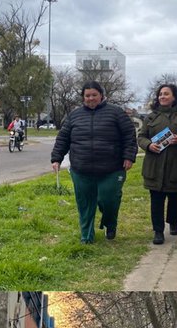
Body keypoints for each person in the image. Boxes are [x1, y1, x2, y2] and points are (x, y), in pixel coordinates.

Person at [50, 81, 138, 243]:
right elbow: (63, 138)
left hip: (111, 168)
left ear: (101, 96)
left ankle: (110, 224)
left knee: (108, 199)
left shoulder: (116, 113)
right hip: (81, 169)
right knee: (85, 203)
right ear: (83, 98)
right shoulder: (74, 116)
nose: (91, 98)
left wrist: (129, 156)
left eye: (94, 95)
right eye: (87, 96)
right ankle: (86, 236)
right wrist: (57, 158)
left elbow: (129, 135)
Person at [137, 83, 177, 244]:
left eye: (166, 94)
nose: (162, 96)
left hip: (176, 165)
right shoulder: (151, 117)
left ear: (174, 96)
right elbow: (141, 137)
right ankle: (158, 231)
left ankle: (173, 222)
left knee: (175, 197)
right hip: (155, 165)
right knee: (156, 199)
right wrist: (149, 145)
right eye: (160, 94)